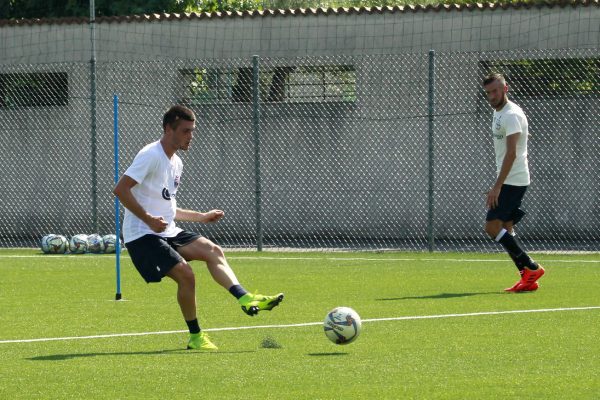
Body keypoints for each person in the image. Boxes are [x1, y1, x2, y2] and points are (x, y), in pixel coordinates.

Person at [113, 105, 284, 350]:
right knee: (186, 274)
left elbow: (168, 208)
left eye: (192, 131)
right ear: (168, 129)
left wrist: (201, 217)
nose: (190, 136)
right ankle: (195, 337)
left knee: (212, 250)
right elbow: (120, 190)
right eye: (185, 131)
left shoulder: (177, 163)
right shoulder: (150, 155)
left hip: (166, 231)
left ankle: (245, 298)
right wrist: (149, 219)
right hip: (141, 235)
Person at [482, 73, 545, 292]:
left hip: (512, 180)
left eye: (496, 91)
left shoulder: (511, 114)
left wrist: (497, 185)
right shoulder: (498, 112)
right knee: (506, 228)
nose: (492, 96)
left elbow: (512, 154)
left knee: (492, 227)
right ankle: (527, 278)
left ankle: (531, 267)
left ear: (505, 88)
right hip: (510, 178)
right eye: (488, 92)